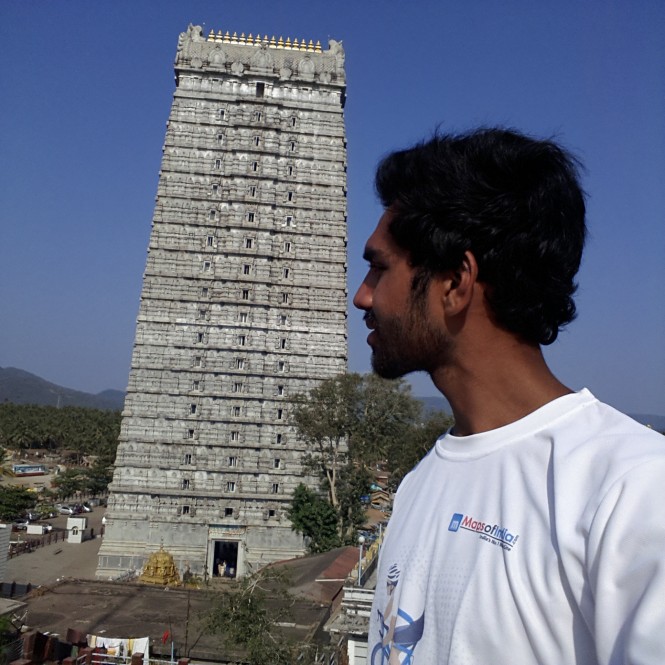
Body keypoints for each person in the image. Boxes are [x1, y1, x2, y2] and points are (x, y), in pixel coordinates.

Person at [353, 128, 665, 665]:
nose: (362, 295)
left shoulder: (631, 491)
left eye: (380, 267)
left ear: (454, 282)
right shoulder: (419, 485)